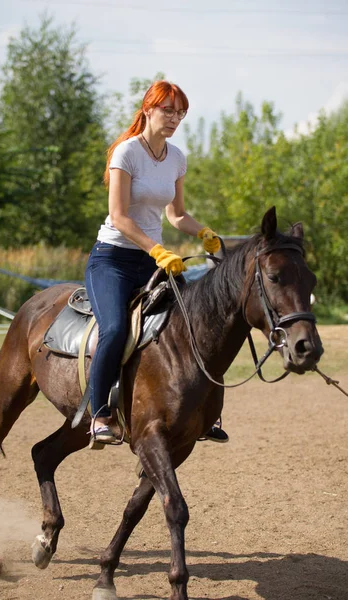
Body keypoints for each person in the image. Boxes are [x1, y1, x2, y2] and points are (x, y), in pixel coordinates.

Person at [85, 80, 229, 444]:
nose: (175, 118)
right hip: (113, 260)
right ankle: (100, 414)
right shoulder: (126, 153)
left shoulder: (177, 157)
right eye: (168, 110)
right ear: (148, 109)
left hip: (152, 260)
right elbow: (118, 217)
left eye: (180, 112)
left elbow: (177, 215)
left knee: (199, 324)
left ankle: (206, 414)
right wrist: (157, 250)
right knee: (116, 330)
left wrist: (204, 233)